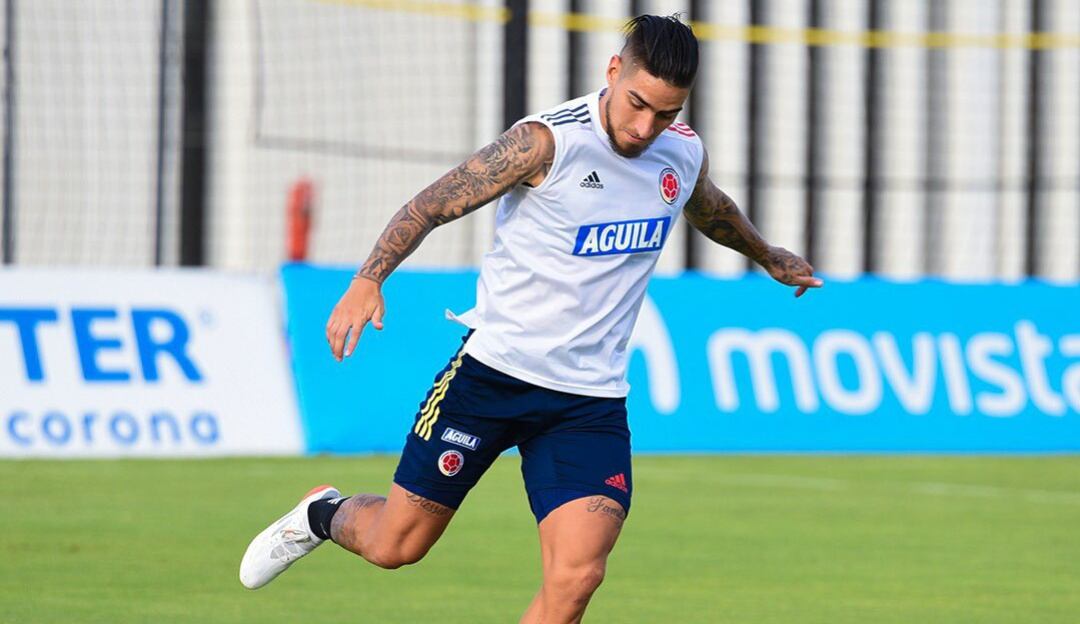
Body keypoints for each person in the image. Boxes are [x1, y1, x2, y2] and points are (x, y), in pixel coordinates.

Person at [240, 14, 821, 623]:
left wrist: (767, 254)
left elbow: (708, 205)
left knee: (578, 578)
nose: (646, 127)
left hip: (589, 401)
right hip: (492, 376)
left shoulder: (679, 152)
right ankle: (321, 515)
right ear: (613, 71)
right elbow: (432, 203)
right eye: (638, 105)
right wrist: (368, 278)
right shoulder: (545, 143)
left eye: (666, 114)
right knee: (396, 546)